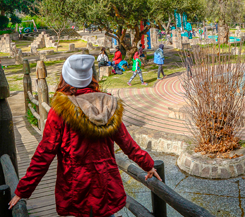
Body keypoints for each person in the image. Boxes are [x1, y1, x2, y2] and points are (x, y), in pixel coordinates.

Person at [8, 54, 161, 216]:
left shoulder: (60, 111)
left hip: (77, 187)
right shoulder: (107, 105)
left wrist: (22, 191)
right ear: (91, 77)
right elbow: (127, 143)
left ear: (65, 77)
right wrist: (147, 164)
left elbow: (44, 155)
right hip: (106, 186)